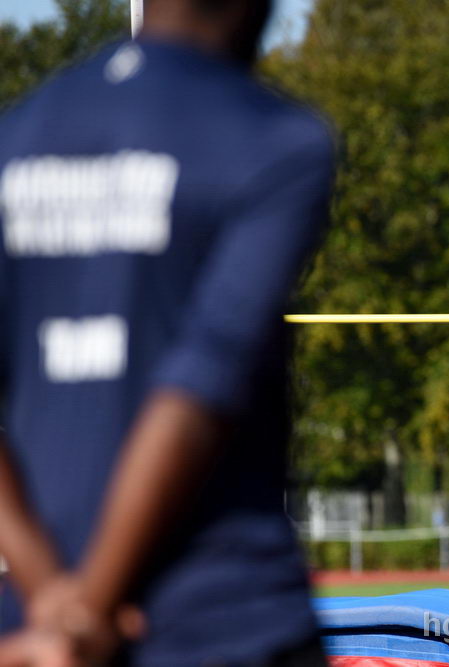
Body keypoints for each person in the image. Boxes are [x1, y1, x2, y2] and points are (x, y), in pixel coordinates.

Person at [0, 0, 337, 664]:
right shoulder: (275, 138)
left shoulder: (20, 136)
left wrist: (50, 602)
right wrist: (93, 607)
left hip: (38, 618)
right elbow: (197, 388)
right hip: (220, 613)